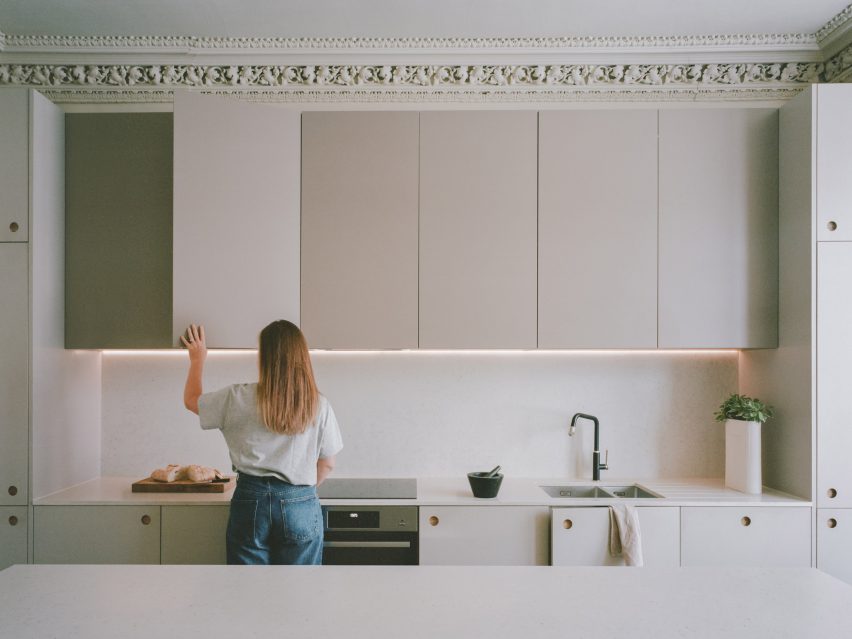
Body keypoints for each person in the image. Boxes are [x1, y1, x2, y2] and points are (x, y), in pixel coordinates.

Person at [181, 320, 342, 565]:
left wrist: (197, 360)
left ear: (264, 357)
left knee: (249, 591)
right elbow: (328, 463)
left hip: (249, 502)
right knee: (301, 592)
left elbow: (192, 400)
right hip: (300, 502)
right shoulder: (318, 405)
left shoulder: (236, 397)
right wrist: (299, 492)